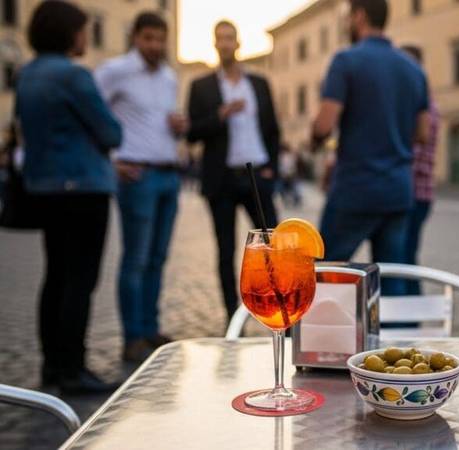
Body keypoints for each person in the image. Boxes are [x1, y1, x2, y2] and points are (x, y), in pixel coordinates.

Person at [16, 0, 122, 393]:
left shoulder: (27, 74)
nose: (85, 36)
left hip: (45, 188)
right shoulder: (73, 76)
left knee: (56, 277)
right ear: (67, 33)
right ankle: (74, 369)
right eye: (82, 29)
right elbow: (111, 133)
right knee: (81, 280)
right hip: (84, 189)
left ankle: (52, 367)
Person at [311, 0, 430, 296]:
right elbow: (424, 133)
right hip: (398, 189)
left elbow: (325, 124)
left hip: (356, 186)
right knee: (392, 279)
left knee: (325, 273)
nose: (346, 24)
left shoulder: (346, 61)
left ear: (359, 16)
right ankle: (396, 341)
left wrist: (314, 138)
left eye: (347, 17)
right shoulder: (414, 69)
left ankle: (321, 341)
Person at [95, 12, 187, 363]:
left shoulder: (168, 77)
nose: (155, 45)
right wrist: (111, 161)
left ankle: (149, 328)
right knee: (135, 259)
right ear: (135, 37)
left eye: (160, 39)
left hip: (168, 173)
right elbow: (91, 115)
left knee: (158, 259)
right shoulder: (113, 71)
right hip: (137, 176)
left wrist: (179, 126)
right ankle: (131, 336)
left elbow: (161, 124)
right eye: (148, 38)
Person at [187, 20, 280, 320]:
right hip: (222, 178)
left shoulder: (259, 84)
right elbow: (192, 133)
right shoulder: (201, 87)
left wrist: (272, 169)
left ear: (238, 43)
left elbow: (273, 130)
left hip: (257, 175)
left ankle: (283, 310)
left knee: (275, 249)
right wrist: (221, 114)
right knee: (225, 251)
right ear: (215, 44)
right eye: (220, 39)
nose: (225, 44)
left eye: (230, 38)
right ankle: (232, 315)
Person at [400, 44, 438, 295]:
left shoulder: (424, 110)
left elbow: (414, 155)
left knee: (405, 258)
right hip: (414, 192)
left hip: (415, 193)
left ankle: (412, 313)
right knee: (404, 256)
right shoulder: (422, 106)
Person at [278, 143, 301, 207]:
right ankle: (288, 200)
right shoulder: (284, 156)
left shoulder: (288, 156)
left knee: (291, 188)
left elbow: (292, 166)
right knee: (284, 189)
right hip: (285, 175)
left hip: (289, 175)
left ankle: (295, 200)